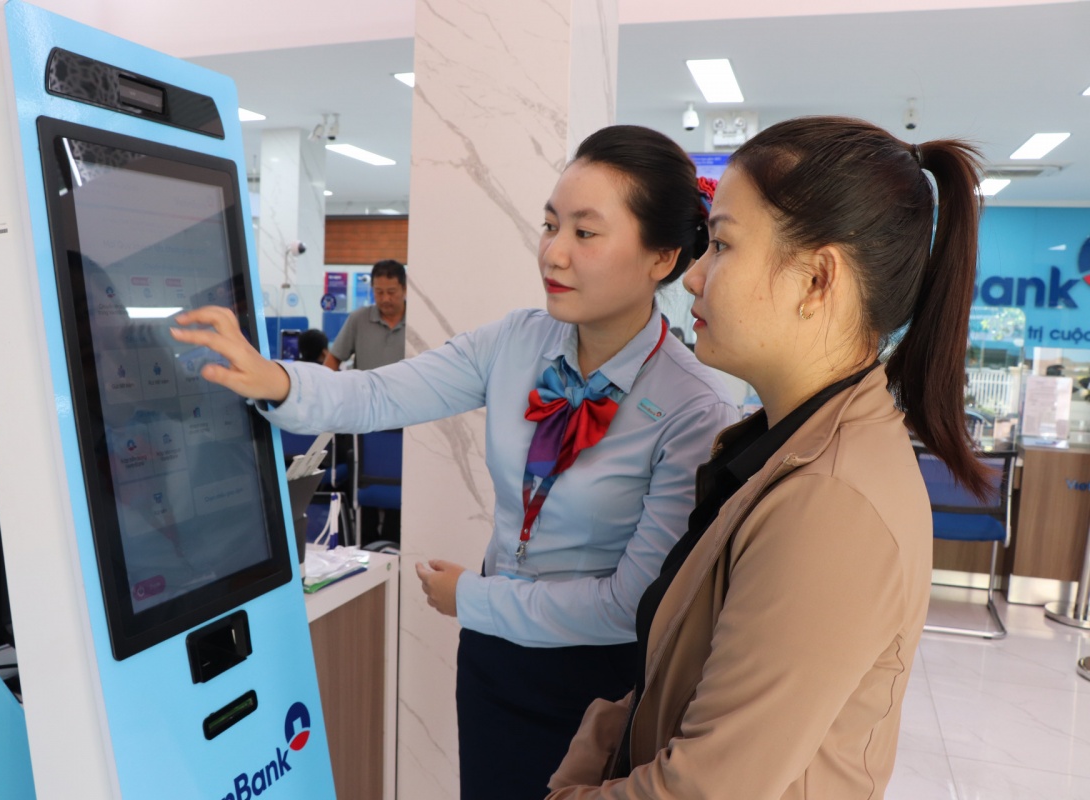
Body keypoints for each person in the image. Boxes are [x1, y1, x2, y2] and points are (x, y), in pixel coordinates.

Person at [170, 125, 738, 799]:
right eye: (550, 225)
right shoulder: (516, 342)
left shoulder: (692, 406)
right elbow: (379, 393)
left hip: (599, 684)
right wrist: (276, 381)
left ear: (661, 257)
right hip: (494, 662)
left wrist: (471, 597)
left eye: (585, 233)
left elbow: (628, 606)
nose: (553, 252)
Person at [547, 116, 992, 799]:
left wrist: (571, 783)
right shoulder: (779, 446)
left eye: (722, 244)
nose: (694, 277)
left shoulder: (832, 504)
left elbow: (704, 789)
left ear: (816, 280)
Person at [324, 259, 407, 371]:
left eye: (391, 292)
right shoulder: (359, 319)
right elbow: (333, 359)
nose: (385, 299)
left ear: (404, 289)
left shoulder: (416, 321)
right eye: (379, 292)